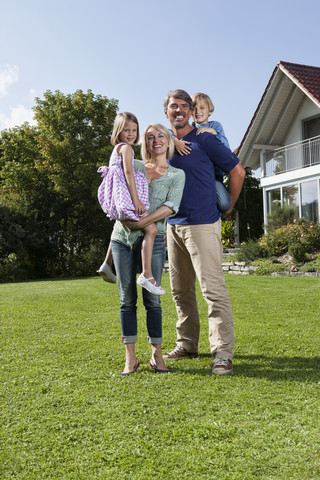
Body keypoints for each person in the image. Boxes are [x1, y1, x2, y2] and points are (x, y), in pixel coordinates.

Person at [163, 89, 246, 375]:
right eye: (174, 106)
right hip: (173, 226)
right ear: (166, 112)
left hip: (202, 223)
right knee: (180, 291)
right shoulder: (164, 144)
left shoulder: (205, 139)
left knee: (213, 291)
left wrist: (228, 206)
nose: (179, 110)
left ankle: (223, 352)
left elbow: (238, 171)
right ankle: (186, 344)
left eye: (184, 106)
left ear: (190, 111)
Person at [110, 123, 185, 375]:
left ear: (168, 141)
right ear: (145, 143)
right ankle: (130, 358)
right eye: (150, 137)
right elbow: (117, 187)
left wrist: (142, 223)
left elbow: (170, 207)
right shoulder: (137, 166)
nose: (156, 141)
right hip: (122, 238)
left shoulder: (176, 175)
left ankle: (156, 355)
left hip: (154, 241)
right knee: (126, 299)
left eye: (160, 136)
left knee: (152, 300)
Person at [97, 112, 164, 295]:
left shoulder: (117, 149)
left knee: (123, 228)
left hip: (118, 197)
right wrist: (137, 201)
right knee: (152, 230)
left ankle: (107, 263)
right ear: (118, 130)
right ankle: (146, 274)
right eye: (126, 130)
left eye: (134, 130)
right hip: (127, 198)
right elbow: (128, 174)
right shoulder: (126, 149)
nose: (131, 134)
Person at [173, 92, 231, 213]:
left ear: (210, 111)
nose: (198, 111)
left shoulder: (215, 126)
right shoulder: (188, 129)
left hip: (215, 175)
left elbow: (226, 149)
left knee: (225, 204)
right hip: (195, 176)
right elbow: (166, 131)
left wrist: (213, 133)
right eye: (194, 108)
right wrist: (175, 141)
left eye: (202, 108)